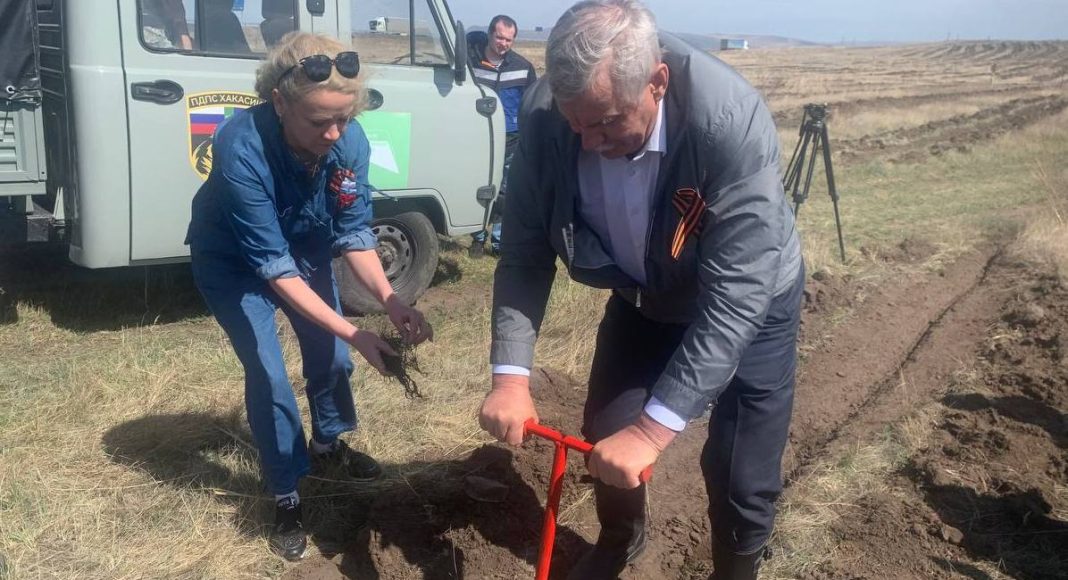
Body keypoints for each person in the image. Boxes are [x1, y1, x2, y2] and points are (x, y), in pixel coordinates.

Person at [477, 2, 804, 579]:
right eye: (577, 123)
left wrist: (654, 431)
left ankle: (737, 567)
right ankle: (622, 539)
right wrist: (510, 377)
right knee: (608, 428)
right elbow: (526, 250)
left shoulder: (727, 123)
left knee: (739, 472)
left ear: (657, 81)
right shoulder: (547, 113)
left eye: (606, 122)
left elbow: (735, 299)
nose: (589, 140)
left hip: (749, 302)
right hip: (644, 295)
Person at [185, 32, 432, 561]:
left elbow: (353, 233)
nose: (335, 132)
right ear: (279, 102)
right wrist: (355, 327)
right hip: (236, 263)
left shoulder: (350, 140)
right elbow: (272, 268)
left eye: (344, 117)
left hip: (303, 247)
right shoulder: (239, 145)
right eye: (319, 121)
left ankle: (327, 446)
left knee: (333, 356)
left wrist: (390, 300)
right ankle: (286, 493)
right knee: (269, 375)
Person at [466, 15, 537, 257]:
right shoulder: (469, 62)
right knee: (478, 186)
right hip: (478, 137)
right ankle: (477, 237)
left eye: (509, 39)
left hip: (511, 138)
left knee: (505, 189)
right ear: (489, 34)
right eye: (499, 37)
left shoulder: (523, 67)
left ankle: (499, 242)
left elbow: (531, 104)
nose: (503, 43)